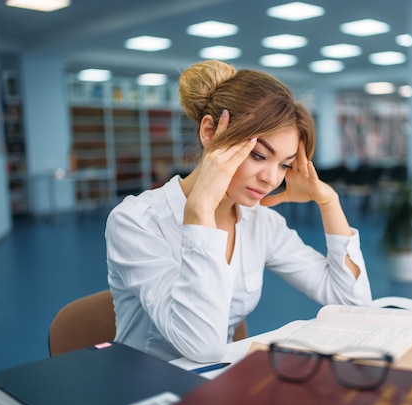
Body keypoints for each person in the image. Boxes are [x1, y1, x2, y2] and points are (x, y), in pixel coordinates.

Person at [105, 60, 372, 363]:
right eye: (259, 155)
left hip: (217, 385)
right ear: (210, 132)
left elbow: (354, 304)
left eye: (284, 164)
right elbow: (202, 347)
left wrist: (329, 202)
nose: (272, 179)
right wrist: (201, 209)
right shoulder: (136, 222)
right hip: (143, 393)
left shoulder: (259, 221)